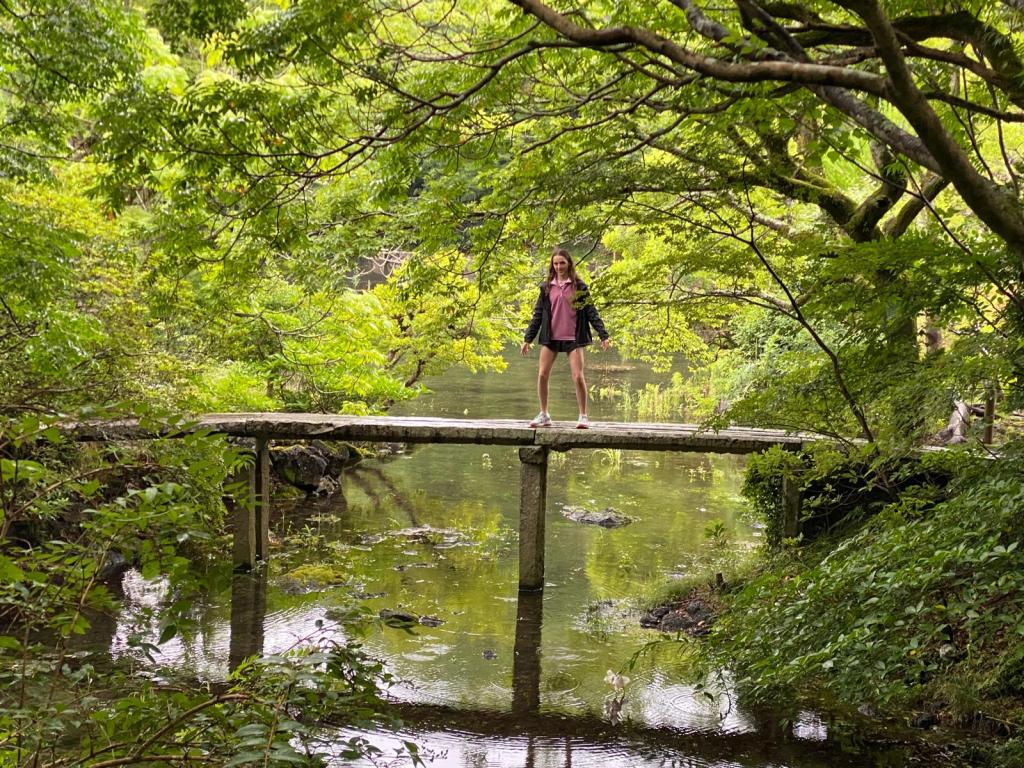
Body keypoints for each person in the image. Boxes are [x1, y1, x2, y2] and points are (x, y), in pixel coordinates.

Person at [521, 248, 610, 429]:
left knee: (578, 376)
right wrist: (528, 338)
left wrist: (603, 335)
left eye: (562, 263)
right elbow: (538, 314)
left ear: (569, 263)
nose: (559, 266)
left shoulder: (579, 287)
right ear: (552, 265)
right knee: (542, 374)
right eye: (556, 263)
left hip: (574, 338)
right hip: (551, 337)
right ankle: (544, 414)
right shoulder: (546, 287)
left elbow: (591, 311)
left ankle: (583, 416)